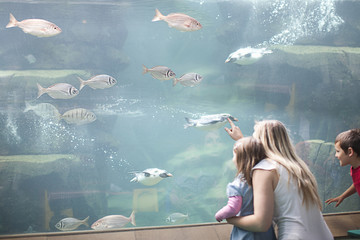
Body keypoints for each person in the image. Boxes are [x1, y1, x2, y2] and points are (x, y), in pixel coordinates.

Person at [224, 119, 333, 240]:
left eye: (254, 139)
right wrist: (241, 140)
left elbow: (261, 224)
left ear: (260, 142)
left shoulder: (264, 169)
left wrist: (231, 218)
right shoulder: (298, 167)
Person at [215, 137, 276, 240]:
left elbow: (233, 207)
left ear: (239, 158)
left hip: (247, 231)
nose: (233, 159)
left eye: (234, 155)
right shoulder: (264, 179)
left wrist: (219, 215)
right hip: (266, 234)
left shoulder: (238, 184)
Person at [325, 129, 360, 207]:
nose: (335, 155)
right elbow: (357, 184)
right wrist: (342, 196)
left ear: (350, 152)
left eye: (338, 151)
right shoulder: (355, 168)